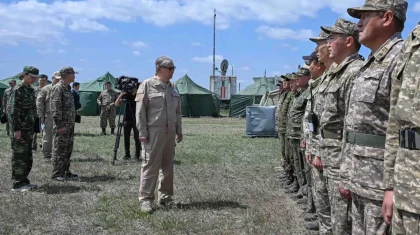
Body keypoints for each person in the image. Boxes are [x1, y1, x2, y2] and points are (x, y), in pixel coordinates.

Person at [339, 1, 407, 234]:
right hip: (359, 175)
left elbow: (403, 127)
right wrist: (346, 173)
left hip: (380, 183)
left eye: (365, 16)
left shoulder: (401, 59)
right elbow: (355, 126)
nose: (358, 23)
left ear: (387, 18)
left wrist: (392, 186)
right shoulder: (369, 63)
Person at [318, 18, 364, 235]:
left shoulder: (355, 72)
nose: (328, 44)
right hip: (332, 154)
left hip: (342, 159)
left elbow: (352, 125)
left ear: (348, 41)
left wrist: (346, 171)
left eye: (332, 39)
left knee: (342, 222)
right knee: (335, 217)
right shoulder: (339, 72)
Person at [383, 22, 420, 235]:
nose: (360, 23)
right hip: (405, 186)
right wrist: (390, 185)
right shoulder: (412, 41)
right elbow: (395, 123)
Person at [136, 56, 183, 213]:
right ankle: (146, 200)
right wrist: (142, 131)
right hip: (153, 132)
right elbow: (140, 111)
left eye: (173, 68)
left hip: (169, 132)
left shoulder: (173, 87)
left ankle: (166, 197)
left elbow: (177, 111)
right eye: (169, 68)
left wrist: (179, 129)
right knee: (150, 166)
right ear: (158, 69)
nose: (172, 71)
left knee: (168, 167)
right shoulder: (148, 85)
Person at [306, 29, 335, 235]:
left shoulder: (348, 74)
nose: (317, 50)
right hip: (320, 148)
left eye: (324, 42)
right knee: (322, 196)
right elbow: (314, 120)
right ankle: (323, 223)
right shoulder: (323, 82)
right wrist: (310, 144)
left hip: (334, 155)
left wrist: (318, 150)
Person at [301, 50, 325, 231]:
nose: (309, 67)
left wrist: (316, 149)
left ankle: (323, 220)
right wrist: (306, 139)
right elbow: (310, 119)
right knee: (317, 186)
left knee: (325, 190)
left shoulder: (321, 85)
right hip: (313, 143)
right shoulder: (314, 87)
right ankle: (320, 216)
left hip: (326, 149)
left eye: (311, 63)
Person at [7, 66, 40, 192]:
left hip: (28, 129)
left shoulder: (30, 90)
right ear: (24, 74)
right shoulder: (17, 90)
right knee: (19, 157)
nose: (34, 79)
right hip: (20, 130)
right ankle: (17, 184)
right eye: (32, 77)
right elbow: (12, 111)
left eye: (35, 77)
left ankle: (24, 180)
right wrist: (16, 129)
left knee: (27, 156)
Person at [50, 67, 78, 181]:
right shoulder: (58, 88)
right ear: (67, 75)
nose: (74, 76)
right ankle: (57, 173)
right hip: (62, 125)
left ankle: (65, 171)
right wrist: (60, 125)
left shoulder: (67, 88)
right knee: (59, 149)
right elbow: (55, 109)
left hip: (69, 124)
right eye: (73, 74)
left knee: (67, 149)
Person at [115, 85, 141, 161]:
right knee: (126, 138)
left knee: (137, 138)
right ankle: (127, 155)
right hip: (127, 119)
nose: (132, 90)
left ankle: (137, 155)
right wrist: (121, 95)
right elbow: (116, 104)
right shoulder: (126, 96)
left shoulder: (139, 95)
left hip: (137, 119)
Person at [37, 72, 59, 159]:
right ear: (52, 78)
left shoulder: (63, 88)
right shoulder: (46, 89)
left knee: (58, 136)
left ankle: (57, 154)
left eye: (60, 79)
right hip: (48, 115)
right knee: (47, 135)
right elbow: (39, 103)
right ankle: (46, 154)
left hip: (59, 116)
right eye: (57, 79)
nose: (58, 81)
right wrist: (41, 116)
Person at [32, 74, 48, 151]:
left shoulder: (49, 89)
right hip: (35, 113)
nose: (42, 82)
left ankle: (43, 144)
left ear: (46, 81)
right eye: (41, 80)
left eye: (44, 80)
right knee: (34, 130)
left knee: (44, 130)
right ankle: (33, 145)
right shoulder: (34, 89)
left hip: (45, 114)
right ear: (38, 80)